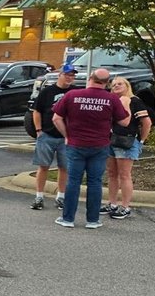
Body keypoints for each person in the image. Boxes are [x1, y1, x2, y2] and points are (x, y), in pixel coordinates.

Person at [52, 68, 131, 229]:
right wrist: (127, 104)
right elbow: (124, 122)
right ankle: (93, 220)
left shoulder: (72, 95)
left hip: (76, 144)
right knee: (95, 182)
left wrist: (67, 135)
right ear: (107, 83)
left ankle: (68, 219)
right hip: (100, 146)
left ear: (90, 78)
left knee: (73, 181)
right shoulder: (111, 99)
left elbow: (56, 118)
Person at [105, 76, 152, 220]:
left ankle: (125, 207)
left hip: (127, 141)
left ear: (127, 86)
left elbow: (147, 122)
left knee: (124, 175)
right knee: (112, 174)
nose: (116, 86)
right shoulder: (111, 101)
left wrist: (141, 141)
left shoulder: (135, 101)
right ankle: (112, 204)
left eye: (120, 84)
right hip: (110, 141)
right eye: (113, 85)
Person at [30, 64, 75, 211]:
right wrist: (39, 130)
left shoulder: (75, 92)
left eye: (72, 75)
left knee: (64, 167)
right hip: (47, 134)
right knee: (43, 166)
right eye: (67, 74)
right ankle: (39, 196)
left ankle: (61, 197)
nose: (70, 78)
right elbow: (37, 111)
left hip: (66, 137)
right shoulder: (47, 92)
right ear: (60, 75)